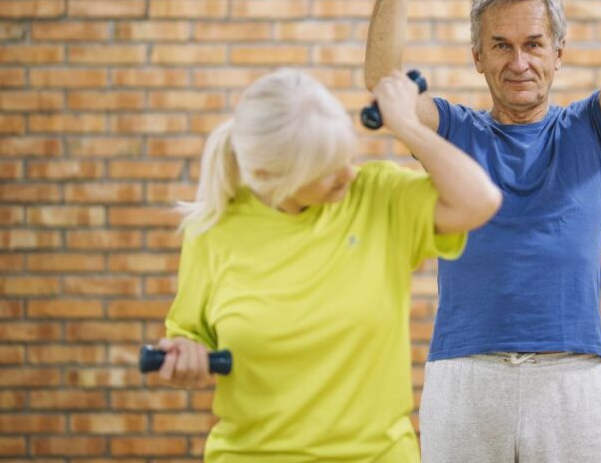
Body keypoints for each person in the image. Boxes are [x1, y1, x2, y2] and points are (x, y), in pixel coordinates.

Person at [365, 0, 601, 460]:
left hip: (569, 379)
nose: (519, 62)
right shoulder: (453, 131)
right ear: (477, 56)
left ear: (559, 52)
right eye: (500, 46)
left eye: (534, 44)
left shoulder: (592, 127)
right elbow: (386, 79)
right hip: (464, 373)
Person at [153, 68, 501, 463]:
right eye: (326, 170)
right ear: (269, 176)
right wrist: (186, 354)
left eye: (345, 156)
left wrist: (408, 125)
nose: (348, 175)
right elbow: (189, 334)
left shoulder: (376, 198)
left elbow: (481, 201)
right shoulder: (212, 232)